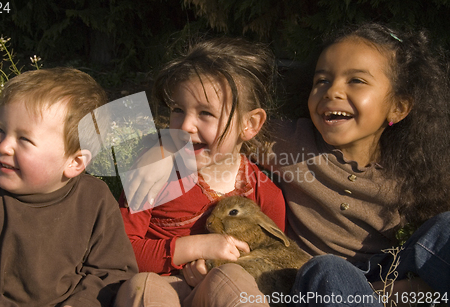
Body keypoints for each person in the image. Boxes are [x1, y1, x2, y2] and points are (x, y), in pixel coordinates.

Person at [122, 23, 450, 306]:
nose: (332, 91)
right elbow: (230, 132)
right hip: (310, 276)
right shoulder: (287, 141)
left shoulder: (415, 169)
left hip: (384, 270)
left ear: (399, 107)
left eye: (356, 81)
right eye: (322, 80)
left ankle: (385, 293)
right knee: (329, 269)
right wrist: (156, 146)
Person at [115, 37, 287, 307]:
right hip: (161, 288)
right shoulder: (152, 173)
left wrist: (219, 264)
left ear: (250, 123)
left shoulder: (265, 193)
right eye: (177, 109)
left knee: (232, 281)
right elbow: (119, 250)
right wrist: (195, 248)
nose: (185, 126)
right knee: (144, 287)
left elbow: (275, 257)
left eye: (206, 113)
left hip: (221, 292)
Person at [0, 68, 138, 306]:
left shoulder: (95, 200)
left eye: (24, 139)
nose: (4, 146)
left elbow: (113, 273)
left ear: (75, 162)